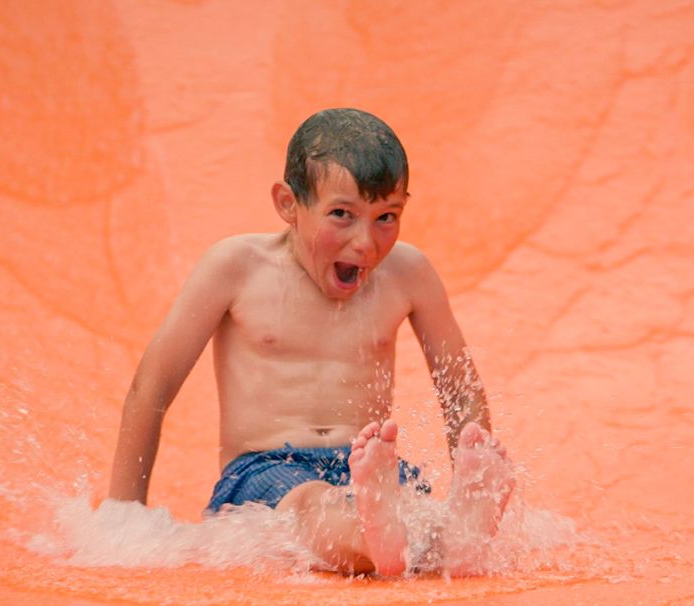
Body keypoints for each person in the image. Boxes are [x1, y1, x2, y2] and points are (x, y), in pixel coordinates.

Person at [108, 108, 514, 577]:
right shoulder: (236, 268)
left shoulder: (408, 273)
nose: (366, 242)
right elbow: (152, 386)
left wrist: (471, 462)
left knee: (412, 514)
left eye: (387, 216)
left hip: (368, 464)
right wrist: (123, 515)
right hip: (264, 469)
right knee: (314, 509)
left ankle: (448, 525)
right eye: (342, 215)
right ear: (287, 203)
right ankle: (381, 531)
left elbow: (459, 387)